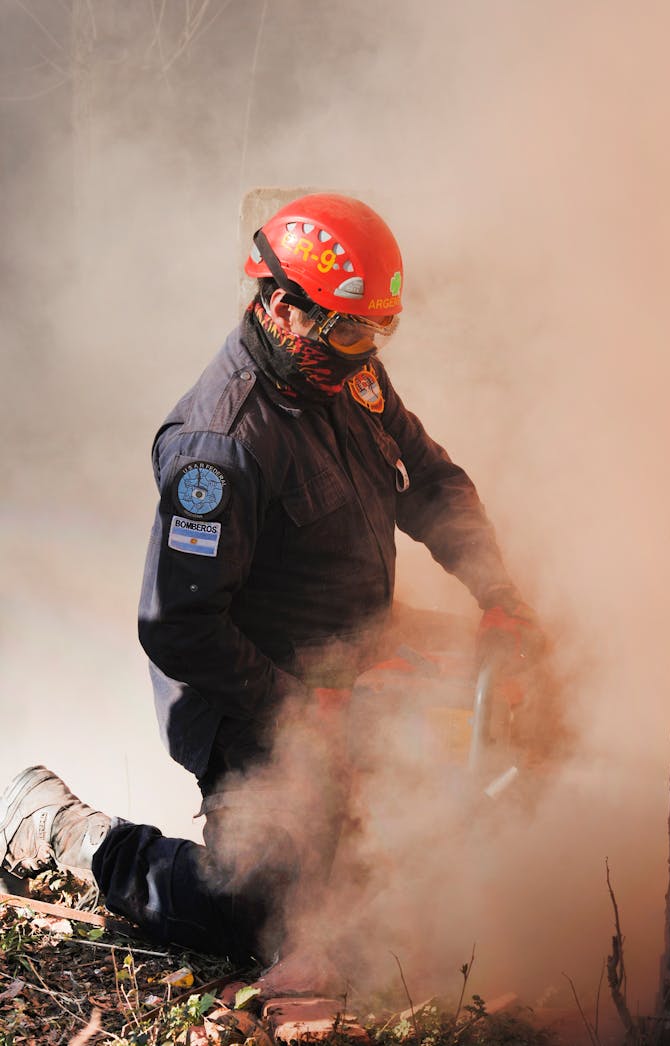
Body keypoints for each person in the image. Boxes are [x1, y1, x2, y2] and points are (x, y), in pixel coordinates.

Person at [0, 193, 543, 980]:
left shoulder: (346, 379)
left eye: (375, 332)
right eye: (350, 330)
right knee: (267, 913)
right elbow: (177, 626)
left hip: (355, 643)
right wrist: (298, 706)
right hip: (251, 695)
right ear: (285, 307)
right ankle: (63, 830)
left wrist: (501, 598)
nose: (366, 352)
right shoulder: (218, 446)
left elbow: (430, 483)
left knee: (540, 678)